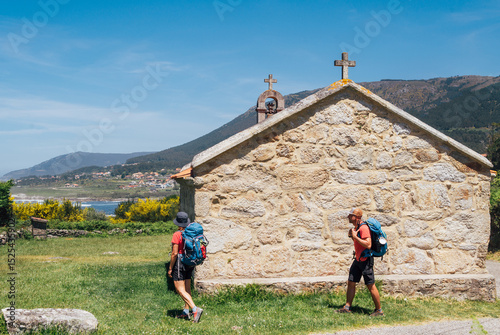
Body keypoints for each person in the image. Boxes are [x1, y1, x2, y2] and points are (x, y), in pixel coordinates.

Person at [337, 208, 384, 316]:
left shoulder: (363, 228)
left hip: (366, 260)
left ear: (357, 217)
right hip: (358, 259)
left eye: (351, 215)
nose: (348, 217)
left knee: (370, 285)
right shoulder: (357, 227)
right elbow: (359, 242)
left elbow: (368, 244)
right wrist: (352, 236)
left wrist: (354, 237)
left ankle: (379, 310)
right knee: (351, 282)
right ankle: (347, 307)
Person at [168, 212, 204, 323]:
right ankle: (186, 311)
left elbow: (174, 253)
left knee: (179, 289)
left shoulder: (177, 234)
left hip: (180, 261)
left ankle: (195, 309)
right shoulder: (191, 233)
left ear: (178, 223)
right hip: (190, 261)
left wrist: (170, 268)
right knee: (187, 288)